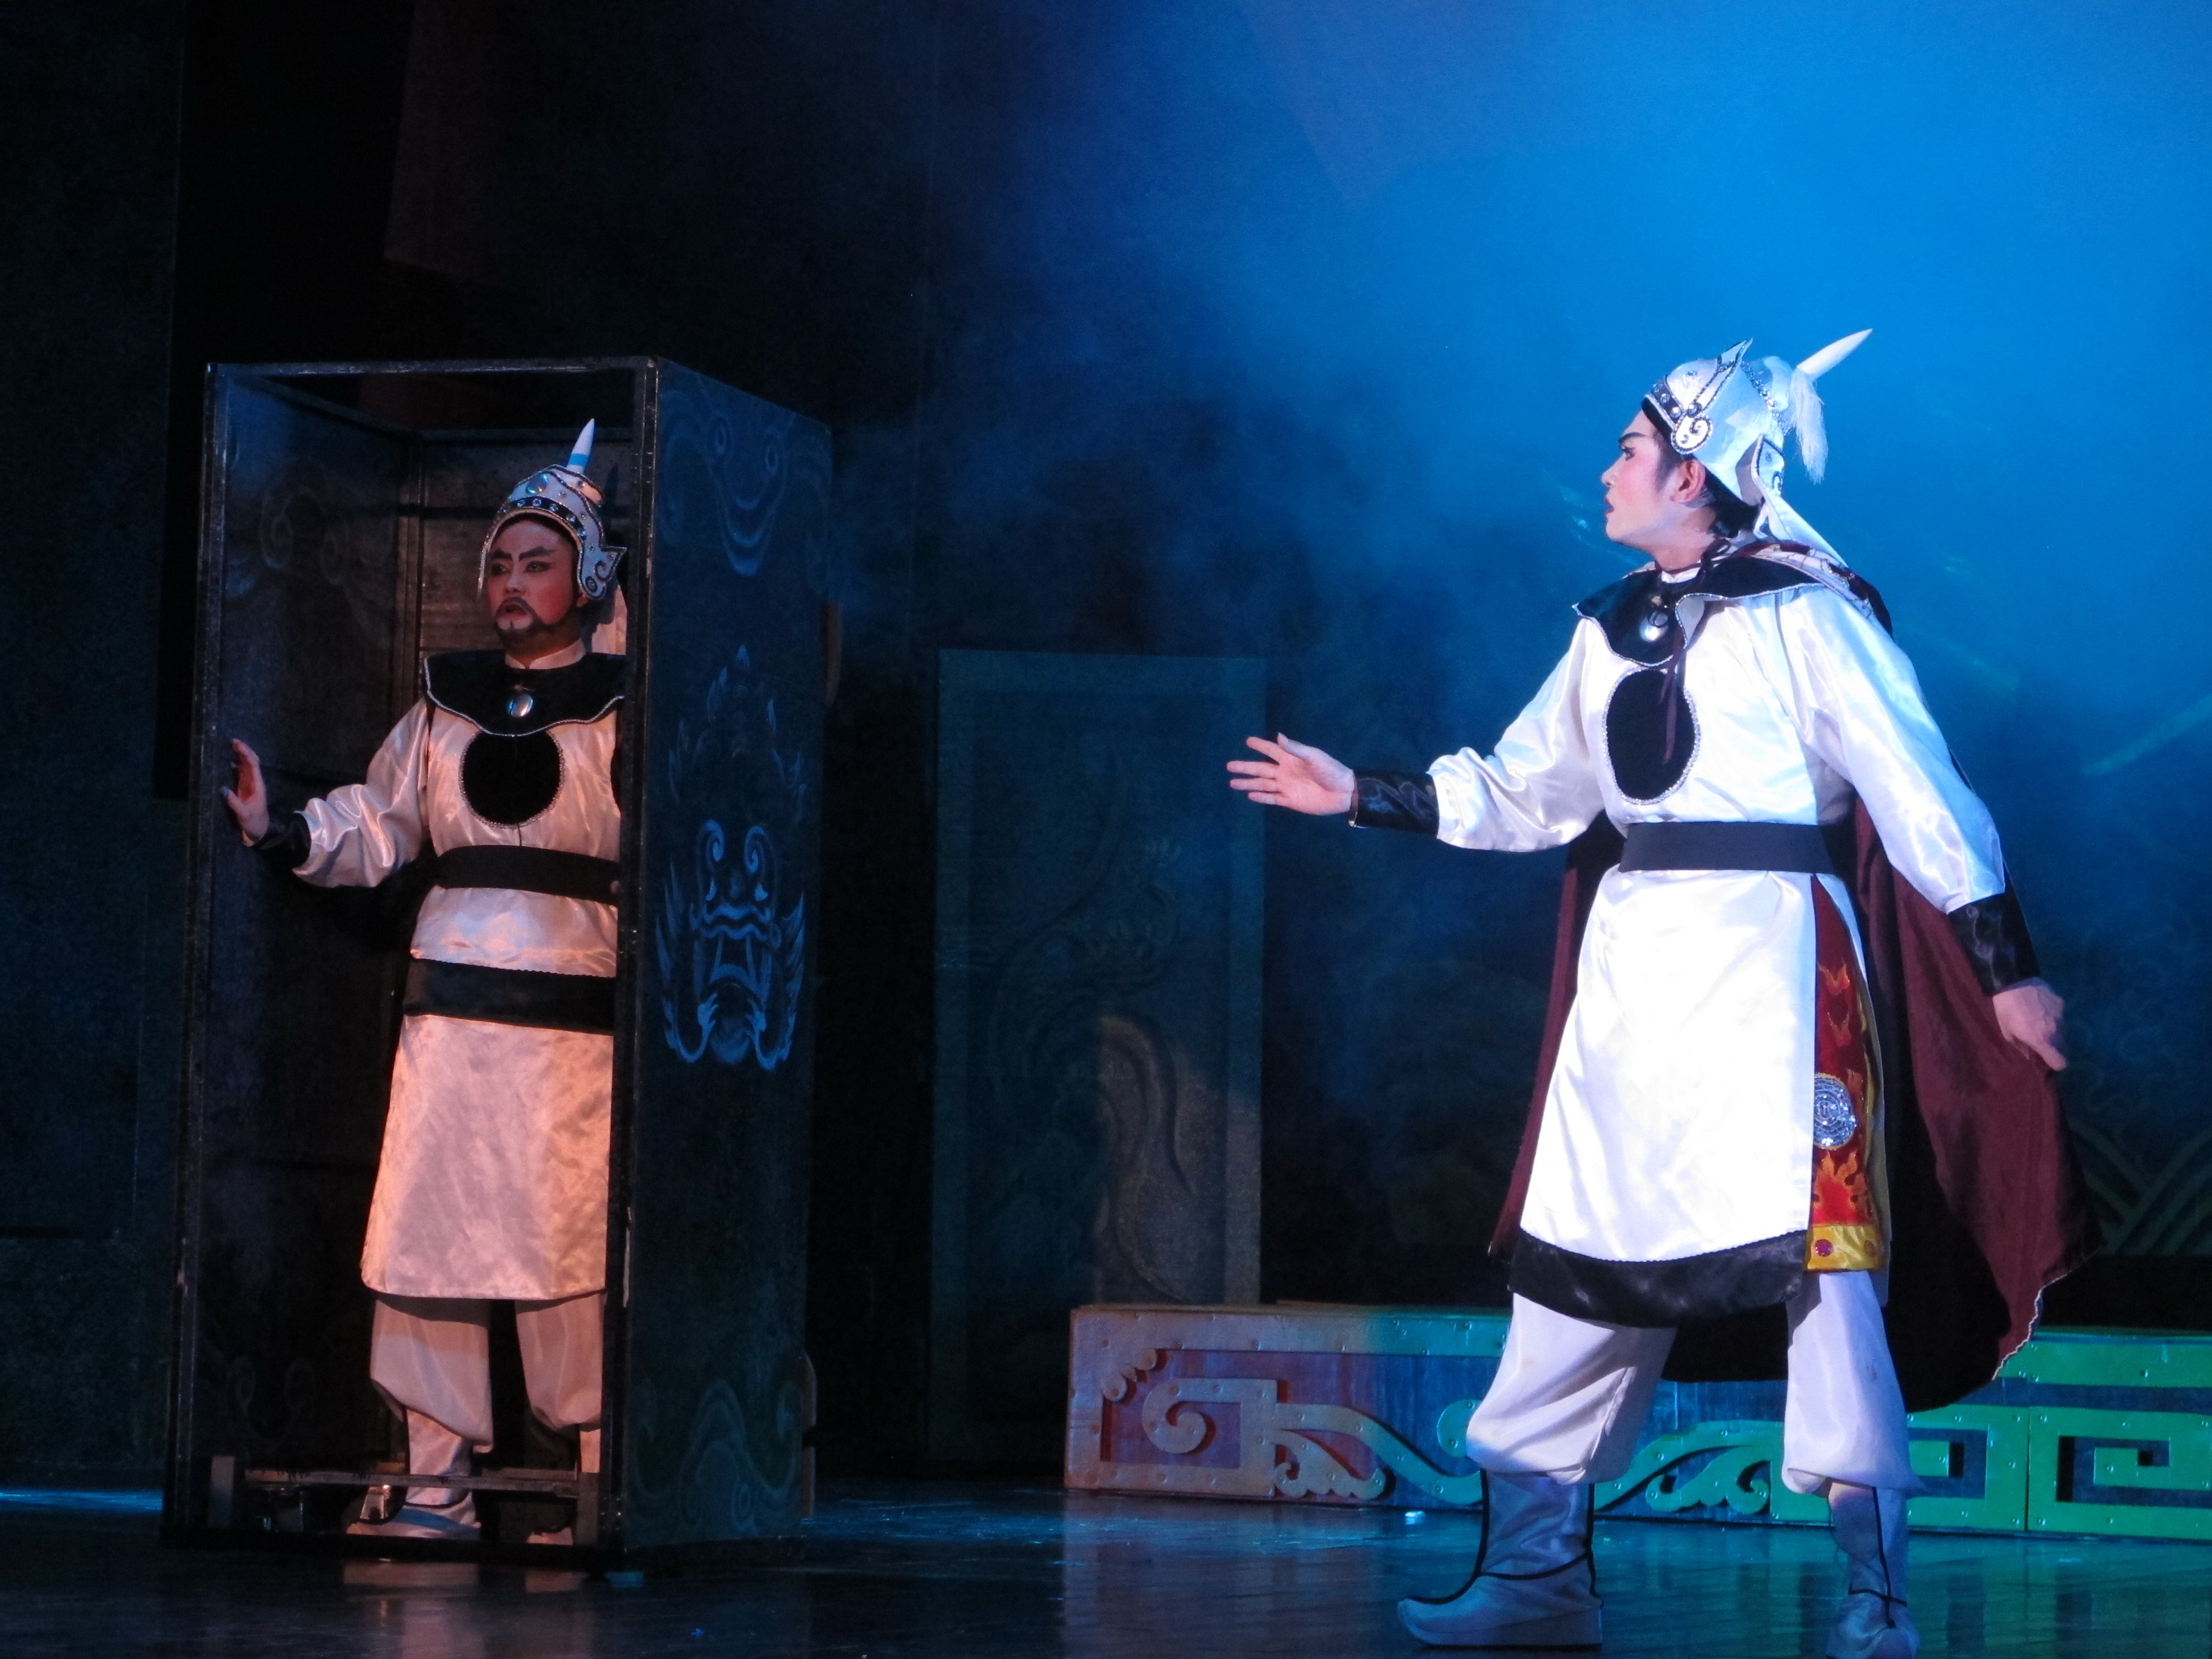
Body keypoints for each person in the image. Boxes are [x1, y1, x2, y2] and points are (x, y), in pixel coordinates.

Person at [1229, 335, 2086, 1657]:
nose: (1607, 471)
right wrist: (1363, 796)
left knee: (1820, 1264)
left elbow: (1921, 792)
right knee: (1579, 1247)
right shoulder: (1607, 629)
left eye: (1630, 450)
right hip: (1634, 980)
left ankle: (1875, 1594)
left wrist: (2003, 965)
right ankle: (1535, 1570)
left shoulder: (1810, 616)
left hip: (1779, 967)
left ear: (1694, 473)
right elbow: (1527, 791)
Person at [223, 424, 626, 1543]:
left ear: (588, 579)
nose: (509, 583)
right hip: (450, 1016)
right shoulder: (446, 707)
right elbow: (381, 820)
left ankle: (603, 1483)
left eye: (536, 562)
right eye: (498, 564)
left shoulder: (625, 711)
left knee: (568, 1245)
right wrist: (283, 827)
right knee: (428, 1235)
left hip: (574, 1020)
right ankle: (434, 1482)